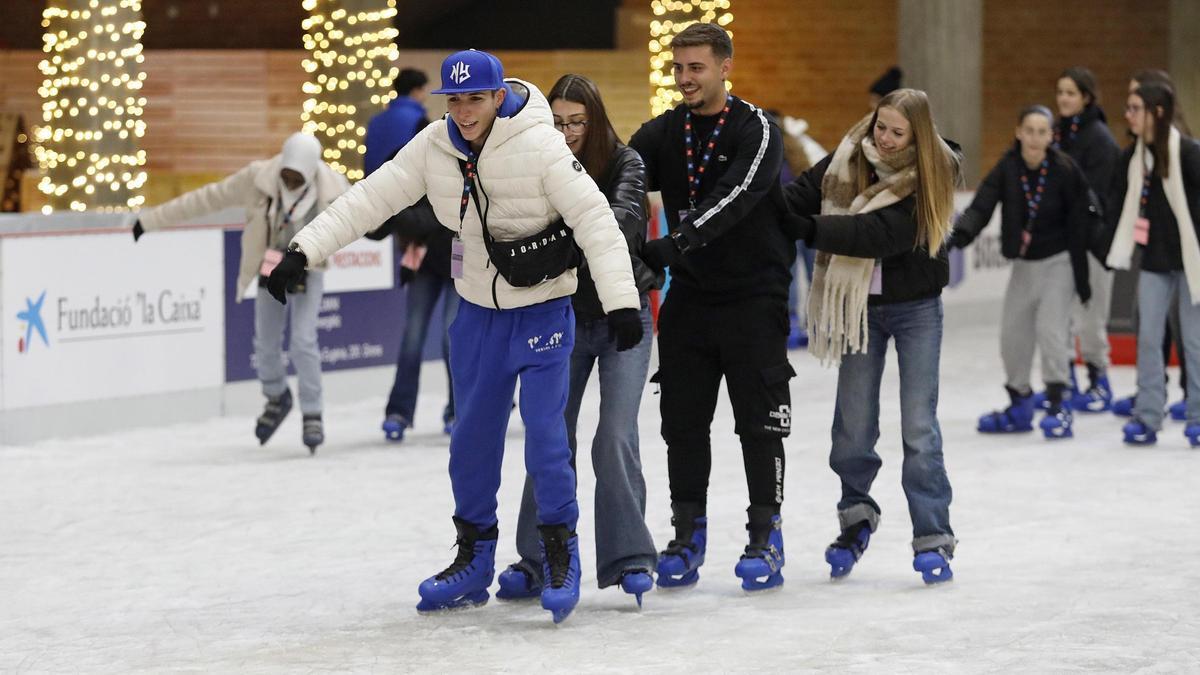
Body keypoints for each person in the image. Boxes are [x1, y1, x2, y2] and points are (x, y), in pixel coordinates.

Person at [266, 50, 643, 623]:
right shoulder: (434, 146)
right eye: (455, 99)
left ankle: (559, 550)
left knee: (546, 438)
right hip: (475, 317)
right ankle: (473, 558)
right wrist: (304, 250)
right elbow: (371, 196)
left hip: (542, 312)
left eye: (475, 98)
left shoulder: (540, 145)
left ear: (498, 96)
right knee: (471, 443)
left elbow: (596, 219)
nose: (464, 111)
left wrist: (619, 303)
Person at [629, 22, 796, 592]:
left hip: (754, 296)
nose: (684, 79)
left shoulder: (758, 131)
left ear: (725, 66)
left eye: (695, 67)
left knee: (759, 424)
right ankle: (687, 532)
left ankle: (764, 534)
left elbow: (736, 195)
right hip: (692, 298)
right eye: (677, 68)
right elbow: (624, 174)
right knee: (682, 421)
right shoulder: (665, 130)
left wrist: (669, 246)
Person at [782, 88, 960, 585]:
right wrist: (765, 210)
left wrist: (805, 228)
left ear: (917, 137)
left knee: (919, 428)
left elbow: (878, 234)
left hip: (916, 309)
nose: (882, 138)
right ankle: (856, 514)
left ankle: (933, 535)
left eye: (896, 132)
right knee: (854, 423)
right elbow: (801, 193)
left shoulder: (934, 173)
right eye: (880, 125)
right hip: (862, 308)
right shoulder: (850, 154)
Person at [495, 73, 658, 607]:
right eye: (558, 122)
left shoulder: (624, 163)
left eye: (577, 123)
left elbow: (625, 220)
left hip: (622, 317)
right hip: (560, 318)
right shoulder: (535, 162)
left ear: (595, 121)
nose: (567, 133)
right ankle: (536, 557)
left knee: (613, 436)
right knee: (550, 439)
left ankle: (630, 555)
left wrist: (563, 240)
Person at [131, 132, 348, 454]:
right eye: (286, 174)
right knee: (265, 344)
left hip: (308, 269)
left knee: (303, 340)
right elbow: (207, 198)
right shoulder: (258, 178)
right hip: (269, 267)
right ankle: (277, 396)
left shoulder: (333, 187)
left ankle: (312, 412)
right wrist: (150, 220)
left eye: (297, 177)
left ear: (311, 170)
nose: (289, 181)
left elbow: (366, 211)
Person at [952, 105, 1095, 440]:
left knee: (1051, 332)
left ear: (1051, 136)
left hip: (1059, 262)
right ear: (1018, 132)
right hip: (1023, 265)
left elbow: (1084, 218)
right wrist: (958, 237)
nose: (1034, 138)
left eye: (1042, 131)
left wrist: (1086, 272)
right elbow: (981, 206)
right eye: (1028, 130)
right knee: (1012, 337)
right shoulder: (1008, 168)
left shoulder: (1064, 169)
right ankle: (1020, 402)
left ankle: (1059, 404)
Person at [363, 67, 459, 442]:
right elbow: (385, 200)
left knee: (455, 338)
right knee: (413, 337)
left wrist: (397, 220)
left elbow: (437, 215)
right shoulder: (406, 167)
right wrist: (385, 222)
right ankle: (399, 412)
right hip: (422, 260)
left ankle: (459, 408)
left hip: (456, 260)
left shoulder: (456, 171)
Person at [1102, 83, 1200, 447]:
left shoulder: (1189, 154)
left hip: (1193, 266)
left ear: (1157, 112)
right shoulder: (1132, 160)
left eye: (1134, 108)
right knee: (1147, 339)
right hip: (1155, 264)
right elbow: (1116, 206)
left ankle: (1198, 416)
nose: (1128, 115)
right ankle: (1147, 415)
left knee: (1194, 342)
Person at [1051, 67, 1121, 413]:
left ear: (1086, 98)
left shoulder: (1100, 139)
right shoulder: (1057, 135)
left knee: (1090, 315)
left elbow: (1100, 198)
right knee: (1058, 316)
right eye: (1060, 92)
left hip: (1093, 244)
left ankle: (1099, 381)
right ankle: (1063, 382)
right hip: (1061, 244)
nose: (1063, 98)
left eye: (1070, 93)